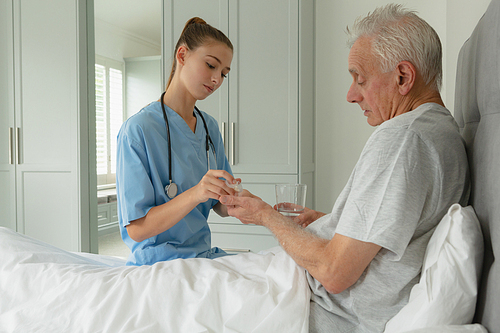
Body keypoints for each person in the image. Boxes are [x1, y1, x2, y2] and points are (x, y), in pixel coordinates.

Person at [220, 4, 470, 332]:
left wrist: (267, 216)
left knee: (162, 291)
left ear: (403, 77)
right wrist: (331, 221)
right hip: (309, 289)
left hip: (316, 306)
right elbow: (400, 229)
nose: (351, 95)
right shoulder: (439, 130)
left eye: (360, 79)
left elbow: (334, 272)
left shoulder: (403, 140)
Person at [116, 17, 240, 266]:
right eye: (210, 65)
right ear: (182, 55)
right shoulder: (138, 130)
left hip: (202, 256)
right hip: (158, 263)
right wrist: (197, 193)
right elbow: (137, 229)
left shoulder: (210, 127)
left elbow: (219, 203)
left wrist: (246, 205)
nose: (217, 80)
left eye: (224, 74)